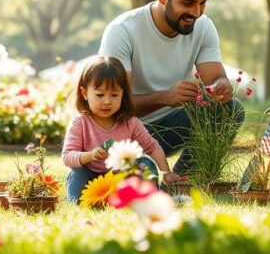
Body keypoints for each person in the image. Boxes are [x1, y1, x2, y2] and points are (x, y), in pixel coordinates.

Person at [98, 0, 243, 174]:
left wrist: (222, 86)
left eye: (202, 3)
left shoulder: (203, 27)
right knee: (137, 176)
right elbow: (113, 108)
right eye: (188, 3)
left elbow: (216, 79)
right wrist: (166, 97)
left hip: (168, 127)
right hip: (124, 134)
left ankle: (188, 179)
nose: (196, 13)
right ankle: (146, 171)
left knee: (230, 110)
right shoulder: (123, 31)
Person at [62, 56, 181, 203]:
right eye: (100, 95)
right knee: (76, 173)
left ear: (123, 94)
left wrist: (166, 171)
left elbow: (152, 147)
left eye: (114, 95)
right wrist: (89, 156)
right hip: (89, 176)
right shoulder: (80, 122)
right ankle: (75, 202)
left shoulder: (130, 122)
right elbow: (67, 156)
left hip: (120, 175)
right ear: (84, 93)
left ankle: (149, 197)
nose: (107, 101)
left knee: (145, 163)